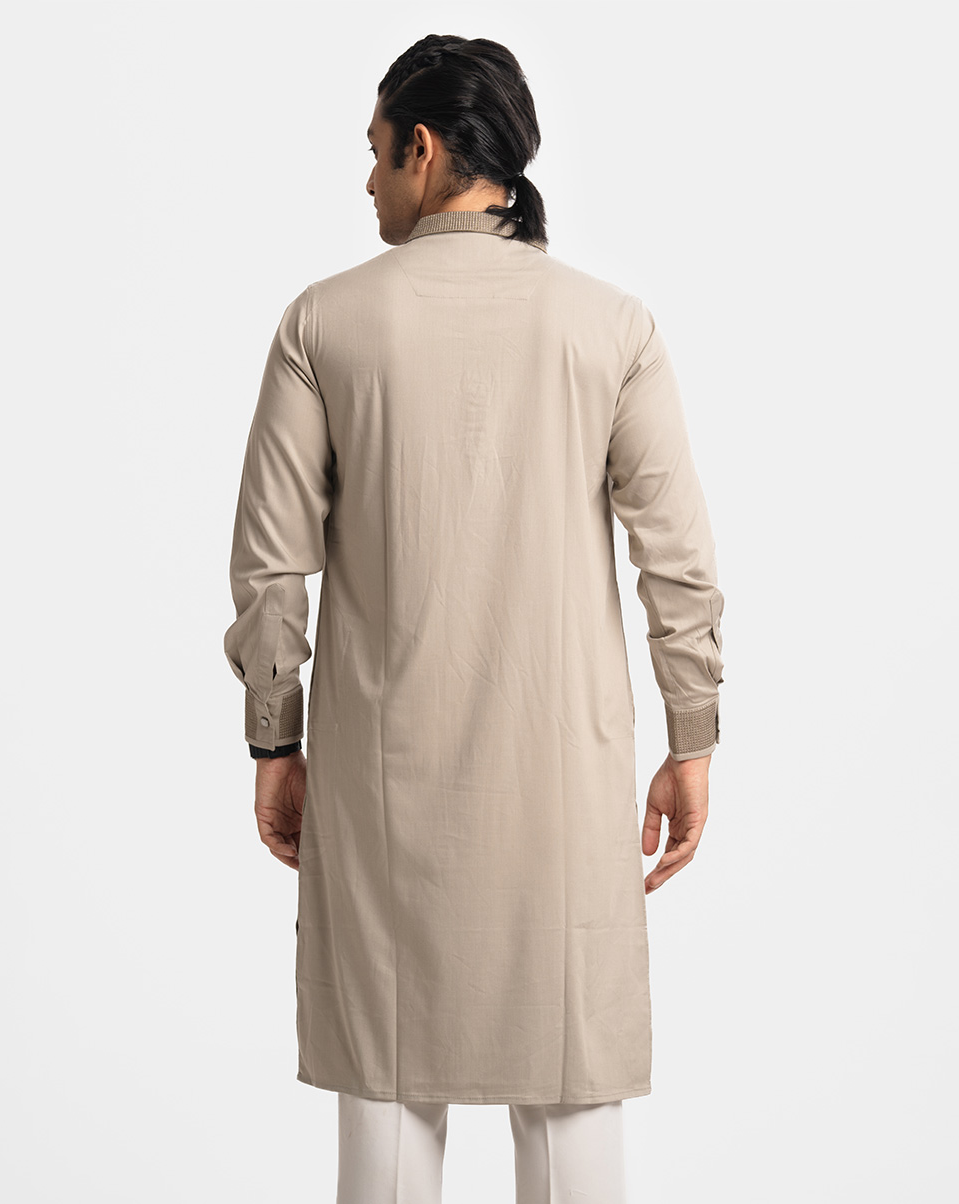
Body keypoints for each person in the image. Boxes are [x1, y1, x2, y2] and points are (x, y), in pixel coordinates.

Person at [223, 33, 725, 1204]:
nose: (366, 182)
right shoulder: (610, 327)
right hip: (564, 798)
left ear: (423, 147)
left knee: (388, 1128)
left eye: (374, 153)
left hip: (381, 804)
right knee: (571, 1116)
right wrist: (691, 738)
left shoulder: (324, 323)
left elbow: (270, 568)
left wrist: (274, 739)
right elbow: (679, 564)